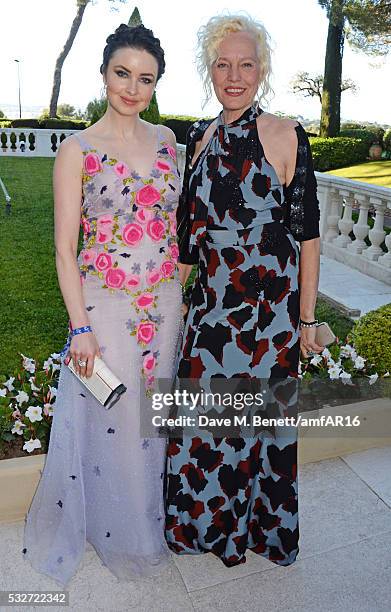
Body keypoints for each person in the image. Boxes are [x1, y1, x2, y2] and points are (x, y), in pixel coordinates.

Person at [23, 23, 182, 586]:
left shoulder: (168, 143)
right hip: (106, 307)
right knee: (113, 420)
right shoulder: (77, 149)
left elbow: (182, 224)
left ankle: (151, 520)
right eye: (123, 74)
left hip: (165, 307)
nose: (133, 89)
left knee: (154, 419)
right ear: (104, 73)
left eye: (146, 79)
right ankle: (124, 533)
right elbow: (65, 250)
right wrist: (80, 327)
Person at [165, 14, 322, 568]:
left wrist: (304, 320)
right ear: (209, 70)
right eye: (223, 64)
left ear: (262, 70)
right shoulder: (199, 137)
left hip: (266, 314)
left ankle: (254, 531)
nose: (234, 76)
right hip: (210, 310)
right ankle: (202, 528)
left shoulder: (285, 133)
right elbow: (188, 237)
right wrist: (169, 310)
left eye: (246, 64)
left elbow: (307, 235)